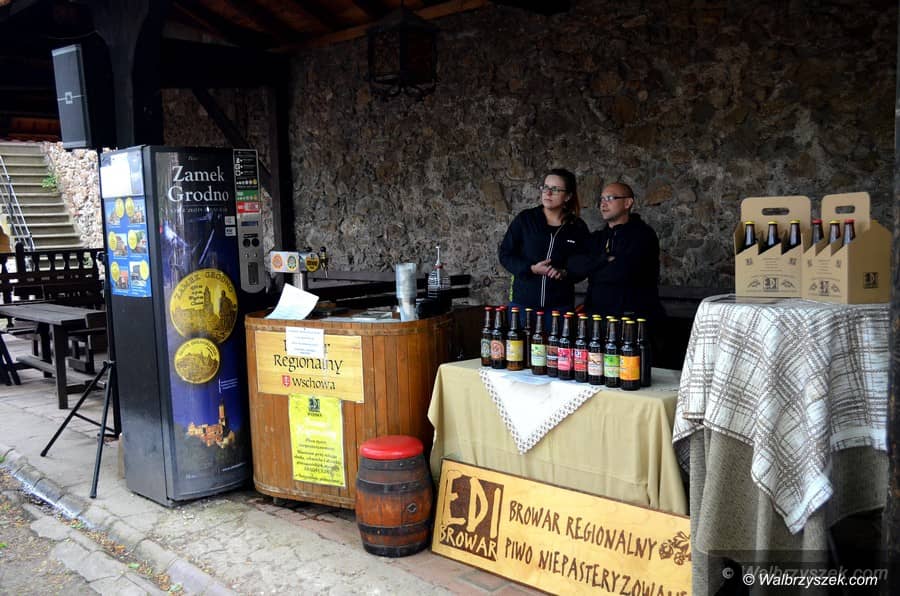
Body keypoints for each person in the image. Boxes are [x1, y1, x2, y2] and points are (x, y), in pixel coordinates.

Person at [498, 168, 590, 325]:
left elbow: (584, 264)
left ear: (568, 196)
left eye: (555, 189)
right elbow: (505, 255)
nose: (548, 193)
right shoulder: (526, 219)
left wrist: (565, 272)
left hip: (559, 309)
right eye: (545, 187)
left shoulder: (577, 227)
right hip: (523, 306)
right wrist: (531, 269)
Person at [569, 182, 665, 323]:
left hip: (631, 319)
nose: (603, 204)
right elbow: (573, 267)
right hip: (597, 318)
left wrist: (592, 266)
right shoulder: (598, 238)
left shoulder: (642, 235)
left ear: (627, 203)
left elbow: (622, 272)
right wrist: (604, 260)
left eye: (610, 198)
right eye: (601, 199)